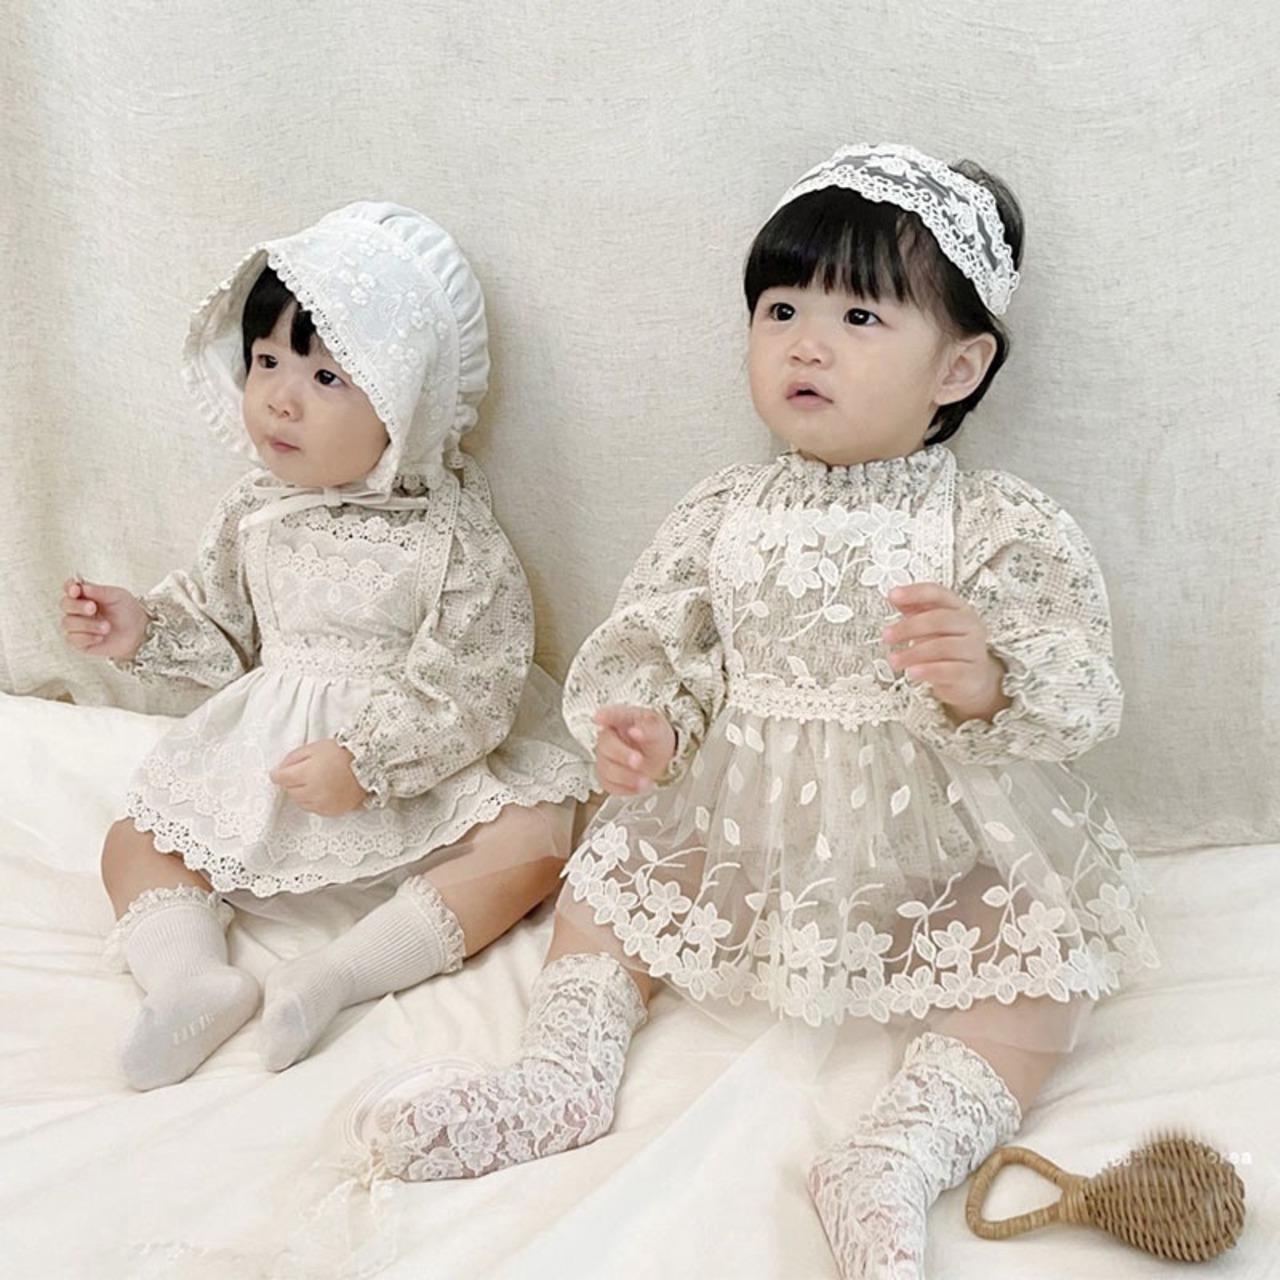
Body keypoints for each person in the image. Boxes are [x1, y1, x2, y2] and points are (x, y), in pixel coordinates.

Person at [359, 146, 1157, 1278]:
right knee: (605, 893)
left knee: (1041, 962)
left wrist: (989, 678)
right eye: (780, 309)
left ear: (958, 365)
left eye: (859, 316)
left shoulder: (990, 522)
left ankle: (895, 1152)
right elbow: (661, 640)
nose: (805, 343)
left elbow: (1078, 677)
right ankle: (560, 1077)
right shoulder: (723, 509)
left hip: (928, 843)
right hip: (736, 823)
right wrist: (648, 726)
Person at [59, 202, 591, 1091]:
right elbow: (222, 627)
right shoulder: (254, 511)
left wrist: (368, 761)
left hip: (412, 765)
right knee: (132, 839)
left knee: (535, 844)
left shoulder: (452, 536)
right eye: (266, 361)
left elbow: (476, 682)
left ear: (406, 403)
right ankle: (189, 977)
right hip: (276, 761)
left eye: (326, 376)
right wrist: (141, 628)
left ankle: (340, 973)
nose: (279, 396)